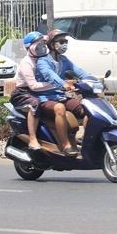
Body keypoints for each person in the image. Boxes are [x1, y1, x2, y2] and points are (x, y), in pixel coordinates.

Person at [35, 29, 96, 157]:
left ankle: (87, 142)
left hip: (61, 96)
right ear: (52, 44)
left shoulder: (64, 60)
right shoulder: (43, 61)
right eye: (61, 41)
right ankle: (65, 145)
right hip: (45, 97)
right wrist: (63, 84)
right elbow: (50, 75)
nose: (64, 44)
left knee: (89, 109)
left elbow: (79, 71)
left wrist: (95, 80)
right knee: (59, 108)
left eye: (66, 41)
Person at [9, 31, 53, 151]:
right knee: (35, 105)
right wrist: (54, 85)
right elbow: (33, 86)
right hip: (23, 93)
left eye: (43, 43)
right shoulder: (26, 62)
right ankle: (33, 140)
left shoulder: (44, 59)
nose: (41, 46)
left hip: (39, 91)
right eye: (38, 44)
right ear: (30, 47)